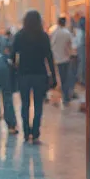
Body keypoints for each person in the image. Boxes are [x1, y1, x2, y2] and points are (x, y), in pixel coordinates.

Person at [11, 9, 56, 143]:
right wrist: (53, 74)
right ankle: (35, 133)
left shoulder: (20, 35)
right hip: (40, 74)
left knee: (24, 104)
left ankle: (26, 132)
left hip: (24, 74)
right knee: (38, 105)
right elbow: (49, 56)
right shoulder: (43, 36)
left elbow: (13, 55)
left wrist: (15, 68)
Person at [0, 46, 18, 134]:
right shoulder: (5, 58)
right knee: (7, 96)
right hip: (4, 72)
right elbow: (13, 68)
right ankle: (11, 125)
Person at [50, 15, 74, 106]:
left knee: (61, 78)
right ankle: (66, 98)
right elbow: (70, 45)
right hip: (66, 58)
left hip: (57, 58)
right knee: (66, 78)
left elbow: (52, 44)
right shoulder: (67, 33)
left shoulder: (54, 32)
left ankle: (63, 97)